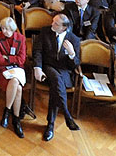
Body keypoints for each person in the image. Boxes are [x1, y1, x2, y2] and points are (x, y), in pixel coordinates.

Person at [33, 12, 81, 141]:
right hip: (48, 67)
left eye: (56, 23)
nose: (52, 24)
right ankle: (66, 115)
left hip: (64, 71)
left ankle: (51, 124)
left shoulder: (74, 39)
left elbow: (75, 64)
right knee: (55, 78)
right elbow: (37, 51)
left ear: (64, 27)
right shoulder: (45, 32)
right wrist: (37, 67)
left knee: (56, 86)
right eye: (53, 21)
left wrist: (71, 53)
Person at [0, 16, 26, 137]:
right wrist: (13, 60)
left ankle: (7, 111)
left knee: (15, 80)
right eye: (2, 28)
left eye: (6, 29)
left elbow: (21, 60)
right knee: (18, 87)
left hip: (17, 70)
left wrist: (8, 58)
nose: (4, 31)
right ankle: (16, 120)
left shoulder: (21, 38)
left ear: (12, 29)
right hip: (3, 71)